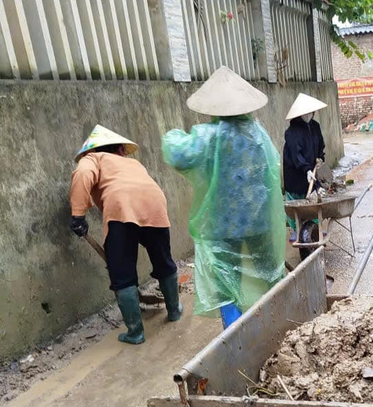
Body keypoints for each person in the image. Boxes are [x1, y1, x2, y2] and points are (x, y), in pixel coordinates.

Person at [161, 66, 286, 328]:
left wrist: (171, 135)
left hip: (223, 225)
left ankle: (236, 338)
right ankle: (282, 320)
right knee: (270, 274)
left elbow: (178, 154)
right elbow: (271, 173)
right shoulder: (258, 133)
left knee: (226, 283)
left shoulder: (210, 136)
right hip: (259, 220)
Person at [69, 125, 181, 345]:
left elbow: (82, 174)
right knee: (163, 260)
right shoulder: (133, 163)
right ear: (120, 149)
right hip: (155, 205)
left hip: (121, 209)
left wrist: (78, 216)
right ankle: (175, 310)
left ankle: (135, 332)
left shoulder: (93, 158)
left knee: (122, 274)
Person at [283, 93, 327, 235]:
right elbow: (296, 155)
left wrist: (320, 159)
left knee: (313, 201)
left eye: (311, 112)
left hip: (311, 171)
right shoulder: (292, 132)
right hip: (295, 172)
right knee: (297, 202)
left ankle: (314, 229)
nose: (310, 115)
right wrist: (306, 169)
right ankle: (296, 229)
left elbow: (320, 145)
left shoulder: (315, 127)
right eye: (306, 113)